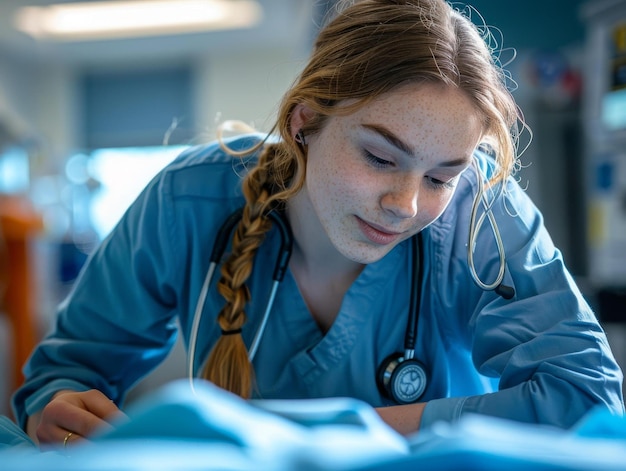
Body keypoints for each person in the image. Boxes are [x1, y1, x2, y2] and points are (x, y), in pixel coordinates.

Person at [13, 0, 624, 447]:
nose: (407, 204)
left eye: (441, 176)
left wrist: (316, 438)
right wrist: (57, 407)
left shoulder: (479, 209)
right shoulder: (190, 200)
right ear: (304, 122)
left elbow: (589, 397)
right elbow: (64, 374)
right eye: (380, 158)